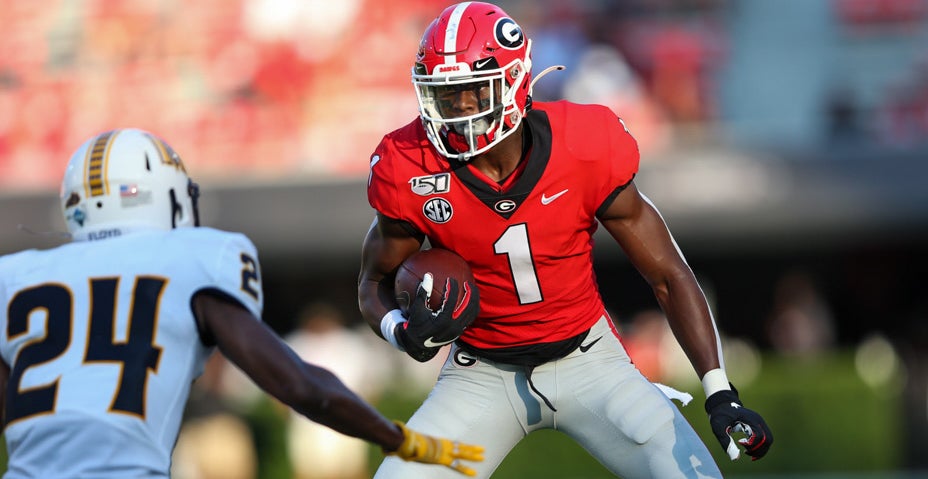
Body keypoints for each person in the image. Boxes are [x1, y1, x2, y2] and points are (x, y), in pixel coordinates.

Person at [357, 3, 772, 478]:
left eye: (472, 93)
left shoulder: (584, 144)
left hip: (589, 360)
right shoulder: (409, 166)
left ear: (513, 82)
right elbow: (373, 283)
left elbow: (667, 274)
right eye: (445, 97)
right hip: (480, 372)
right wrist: (400, 331)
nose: (458, 112)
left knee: (695, 475)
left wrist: (720, 392)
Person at [0, 128, 484, 478]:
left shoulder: (16, 278)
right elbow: (300, 385)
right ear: (164, 196)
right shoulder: (192, 259)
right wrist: (399, 438)